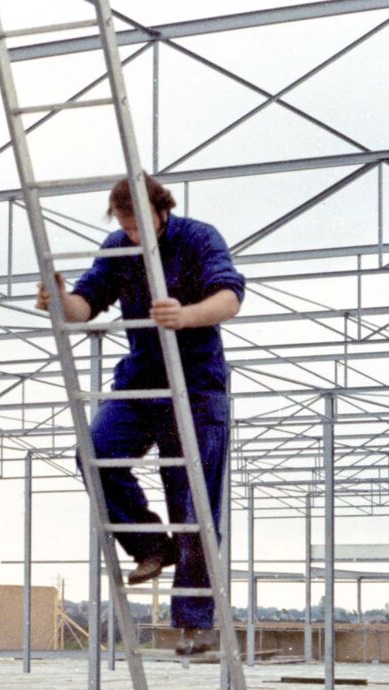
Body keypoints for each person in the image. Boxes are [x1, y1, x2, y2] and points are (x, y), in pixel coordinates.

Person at [35, 175, 244, 655]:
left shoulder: (198, 238)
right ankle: (151, 544)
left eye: (139, 226)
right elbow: (84, 304)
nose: (133, 236)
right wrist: (57, 300)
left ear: (162, 210)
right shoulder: (117, 246)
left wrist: (185, 314)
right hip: (142, 381)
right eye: (126, 227)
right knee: (96, 454)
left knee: (194, 504)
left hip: (195, 385)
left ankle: (195, 622)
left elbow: (230, 296)